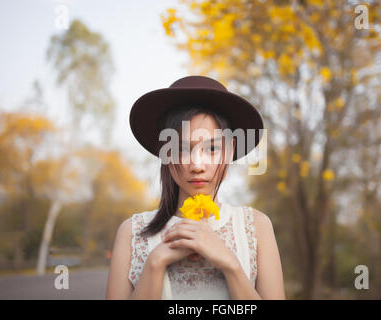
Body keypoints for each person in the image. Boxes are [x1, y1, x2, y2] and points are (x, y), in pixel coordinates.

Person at [106, 75, 285, 300]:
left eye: (212, 148)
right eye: (182, 148)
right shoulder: (132, 232)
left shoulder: (255, 226)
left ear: (230, 149)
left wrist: (230, 264)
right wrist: (156, 262)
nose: (197, 165)